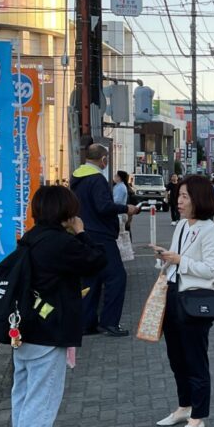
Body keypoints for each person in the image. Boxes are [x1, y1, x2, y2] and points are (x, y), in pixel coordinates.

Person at [10, 185, 107, 427]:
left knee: (23, 393)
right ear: (65, 212)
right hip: (49, 331)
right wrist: (81, 232)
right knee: (42, 397)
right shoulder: (60, 243)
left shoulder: (31, 237)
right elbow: (97, 260)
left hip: (25, 328)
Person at [153, 175, 214, 427]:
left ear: (198, 199)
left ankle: (198, 417)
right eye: (179, 196)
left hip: (195, 301)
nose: (178, 201)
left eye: (184, 196)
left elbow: (210, 270)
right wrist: (165, 257)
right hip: (173, 295)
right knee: (176, 357)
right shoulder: (182, 225)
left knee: (195, 360)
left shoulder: (210, 230)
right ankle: (184, 407)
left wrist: (179, 260)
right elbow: (175, 258)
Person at [69, 144, 141, 337]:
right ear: (103, 159)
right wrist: (126, 208)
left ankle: (86, 323)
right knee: (117, 277)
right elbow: (103, 206)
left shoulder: (76, 178)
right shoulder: (97, 179)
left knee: (91, 278)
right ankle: (109, 322)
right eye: (106, 159)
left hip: (83, 232)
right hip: (101, 236)